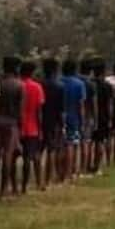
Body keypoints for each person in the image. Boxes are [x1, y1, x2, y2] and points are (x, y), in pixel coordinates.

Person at [0, 56, 23, 199]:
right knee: (8, 156)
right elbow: (20, 110)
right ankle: (4, 188)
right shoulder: (18, 85)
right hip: (11, 123)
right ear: (16, 68)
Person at [18, 61, 46, 194]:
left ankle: (16, 186)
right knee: (32, 157)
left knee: (13, 158)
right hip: (32, 127)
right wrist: (41, 129)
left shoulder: (18, 85)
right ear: (32, 72)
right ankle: (36, 183)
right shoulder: (37, 87)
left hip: (18, 127)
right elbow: (39, 112)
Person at [61, 60, 87, 182]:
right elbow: (81, 104)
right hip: (74, 117)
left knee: (61, 146)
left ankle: (60, 172)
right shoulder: (79, 84)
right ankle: (70, 172)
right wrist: (82, 120)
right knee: (72, 144)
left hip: (60, 116)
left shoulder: (60, 82)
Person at [41, 59, 64, 187]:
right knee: (51, 150)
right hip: (54, 121)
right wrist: (62, 123)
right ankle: (48, 178)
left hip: (40, 119)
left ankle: (39, 178)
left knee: (39, 150)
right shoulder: (59, 86)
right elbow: (61, 108)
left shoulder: (39, 84)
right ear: (56, 70)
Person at [91, 60, 114, 175]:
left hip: (90, 116)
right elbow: (110, 104)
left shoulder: (90, 84)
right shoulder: (107, 86)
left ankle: (87, 165)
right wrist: (110, 118)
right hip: (103, 116)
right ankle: (97, 166)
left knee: (89, 142)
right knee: (100, 142)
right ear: (103, 71)